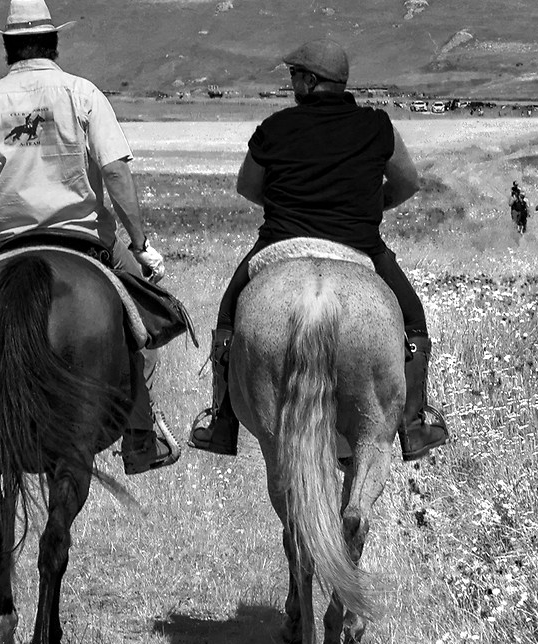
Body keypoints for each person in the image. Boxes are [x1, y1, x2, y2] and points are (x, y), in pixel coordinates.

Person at [0, 0, 186, 476]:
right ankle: (142, 434)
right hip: (85, 240)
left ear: (9, 49)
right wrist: (140, 245)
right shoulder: (84, 95)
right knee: (141, 323)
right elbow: (116, 174)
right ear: (53, 44)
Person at [188, 38, 449, 461]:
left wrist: (293, 207)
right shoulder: (377, 126)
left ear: (310, 82)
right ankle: (415, 423)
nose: (291, 83)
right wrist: (365, 208)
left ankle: (221, 421)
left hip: (282, 241)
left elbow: (247, 186)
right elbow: (408, 183)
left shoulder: (275, 128)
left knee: (228, 313)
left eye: (294, 76)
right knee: (413, 318)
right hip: (359, 244)